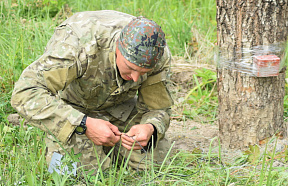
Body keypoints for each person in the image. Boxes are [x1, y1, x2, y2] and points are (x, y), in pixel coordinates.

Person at [11, 10, 173, 172]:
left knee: (154, 165)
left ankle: (109, 148)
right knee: (74, 174)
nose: (136, 78)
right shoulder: (78, 44)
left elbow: (158, 107)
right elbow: (25, 92)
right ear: (118, 47)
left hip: (118, 108)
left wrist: (150, 127)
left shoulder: (157, 54)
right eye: (130, 68)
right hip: (72, 110)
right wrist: (83, 124)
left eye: (143, 72)